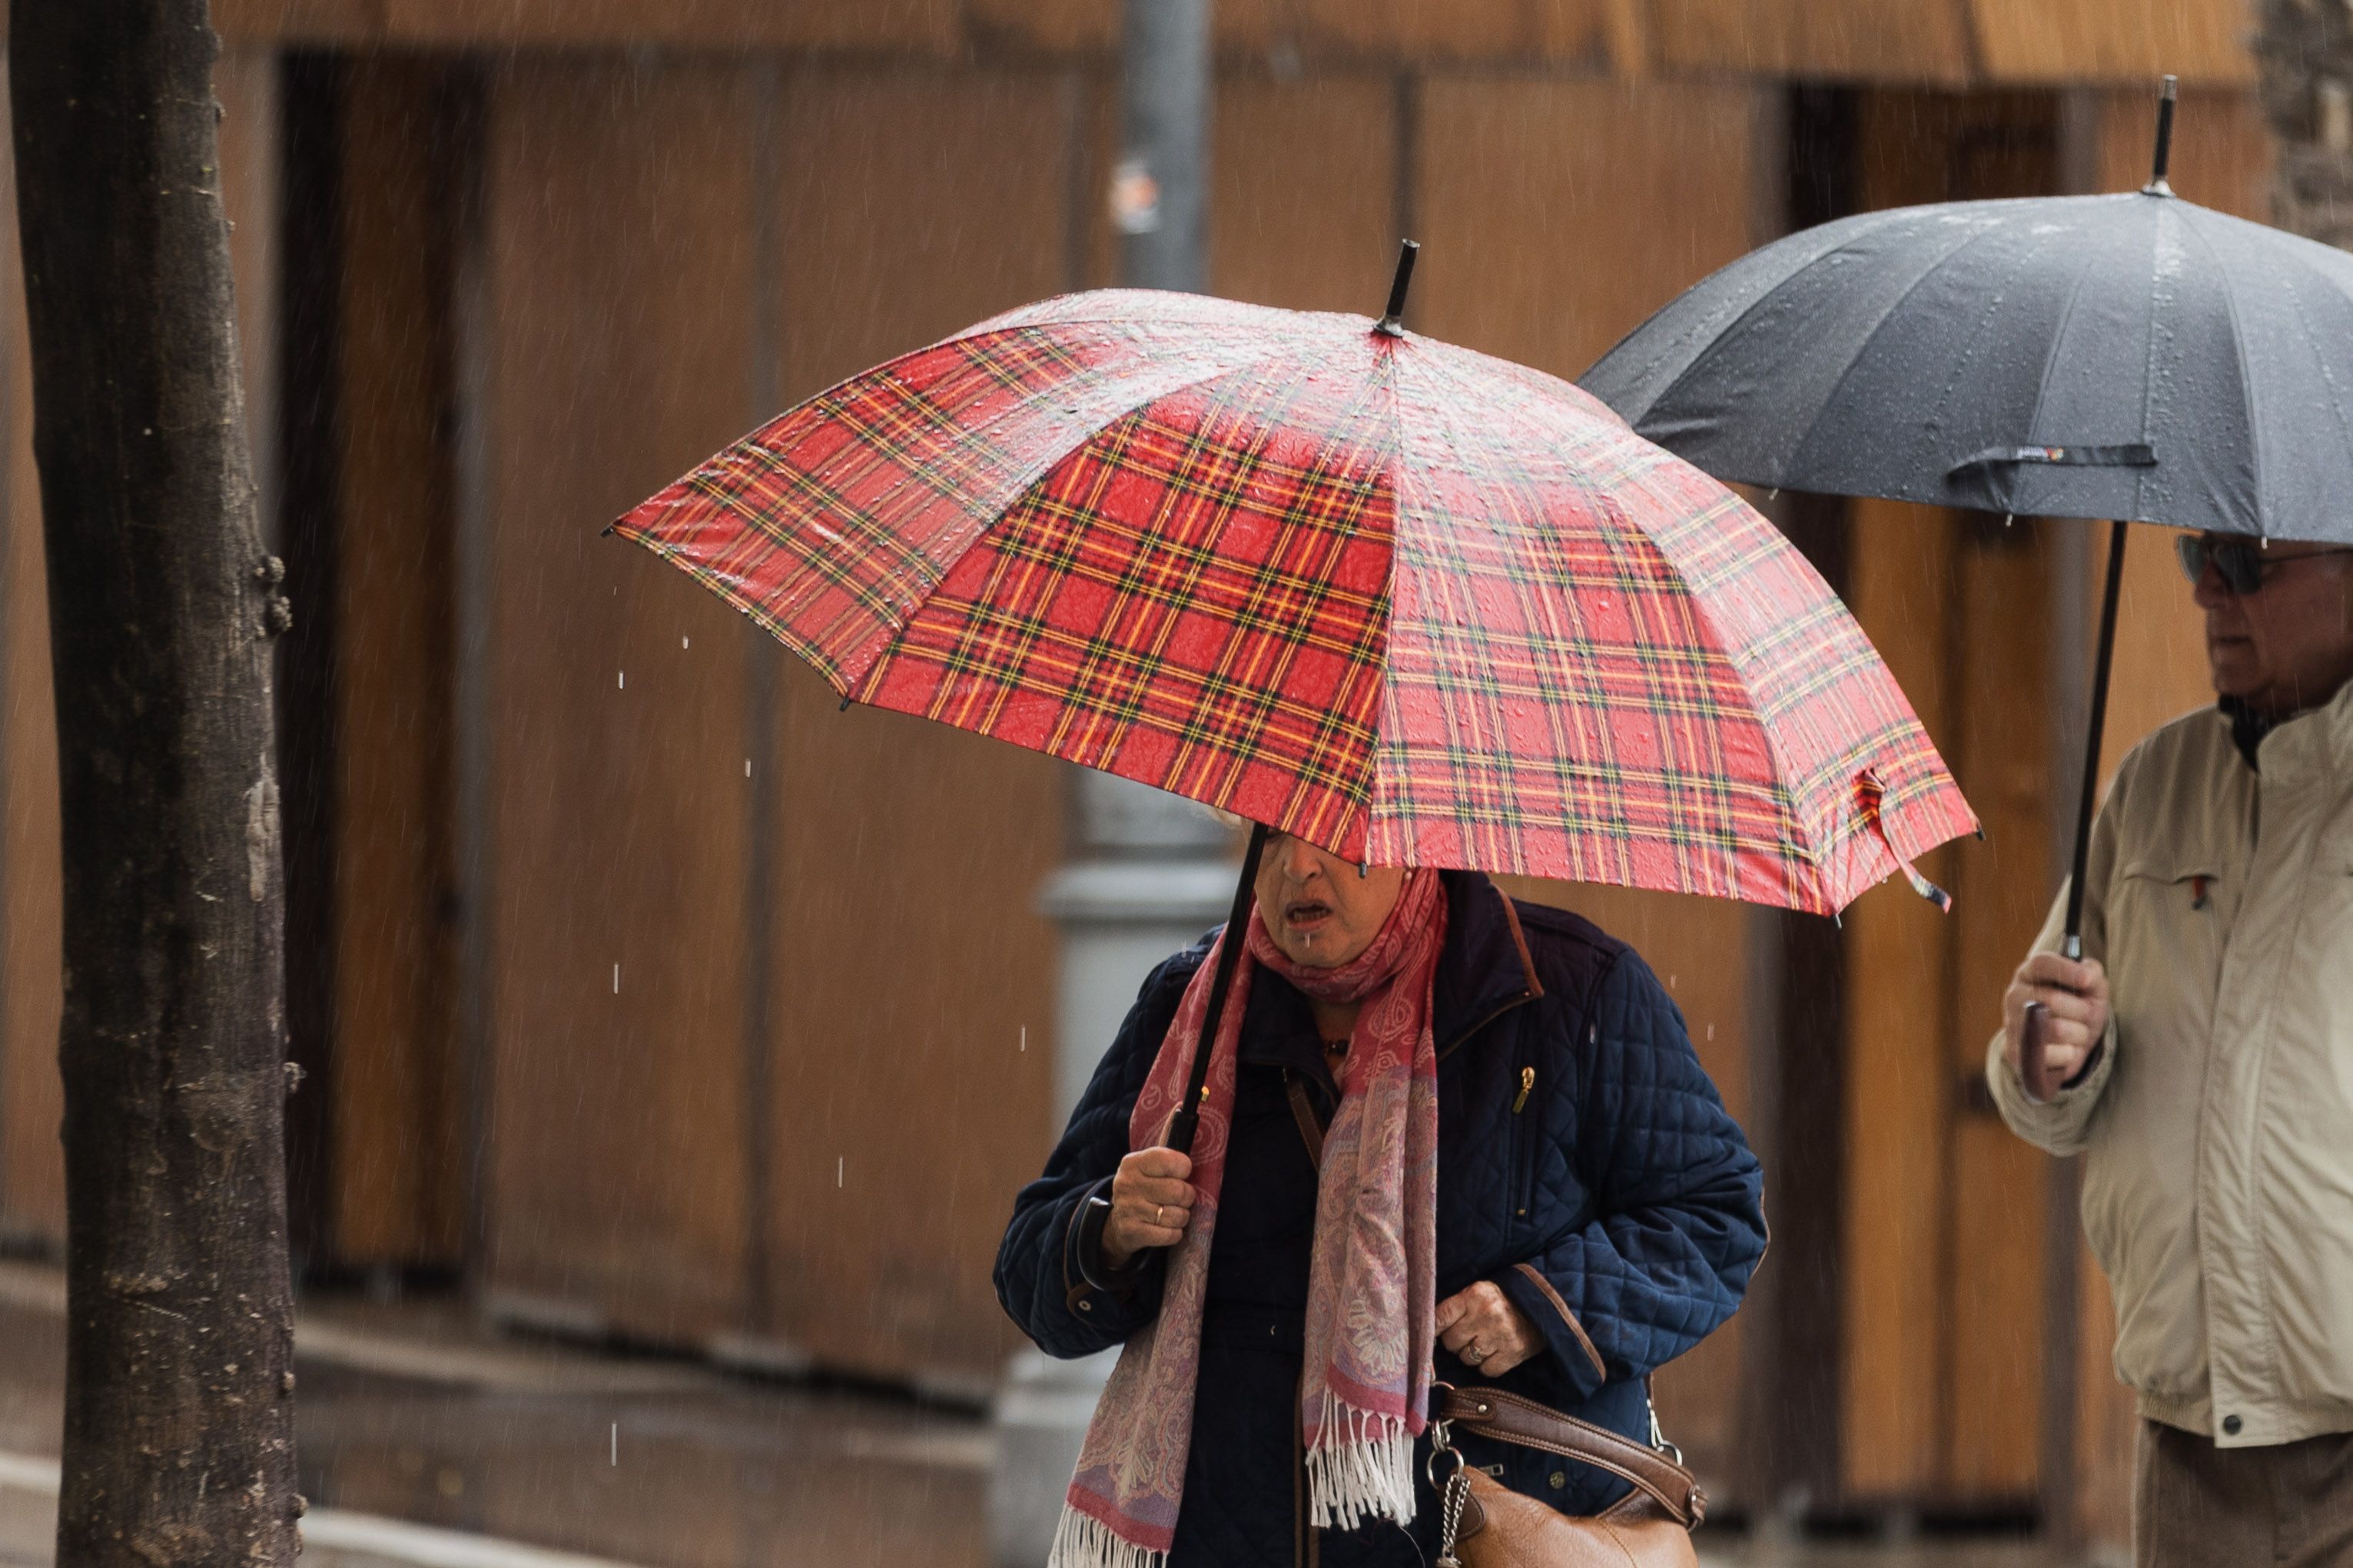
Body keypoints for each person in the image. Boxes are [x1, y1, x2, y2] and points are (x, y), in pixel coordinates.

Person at [995, 830, 1764, 1568]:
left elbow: (1713, 1218)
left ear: (1413, 836)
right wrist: (1106, 1230)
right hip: (1240, 1537)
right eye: (1272, 835)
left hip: (1489, 1533)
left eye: (1336, 832)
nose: (1298, 867)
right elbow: (1031, 1269)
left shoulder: (1568, 991)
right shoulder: (1188, 1008)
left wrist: (1544, 1307)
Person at [1989, 532, 2353, 1566]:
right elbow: (2040, 1092)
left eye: (2247, 560)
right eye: (2199, 550)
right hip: (2192, 1439)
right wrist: (2047, 1056)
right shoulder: (2152, 782)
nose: (2206, 588)